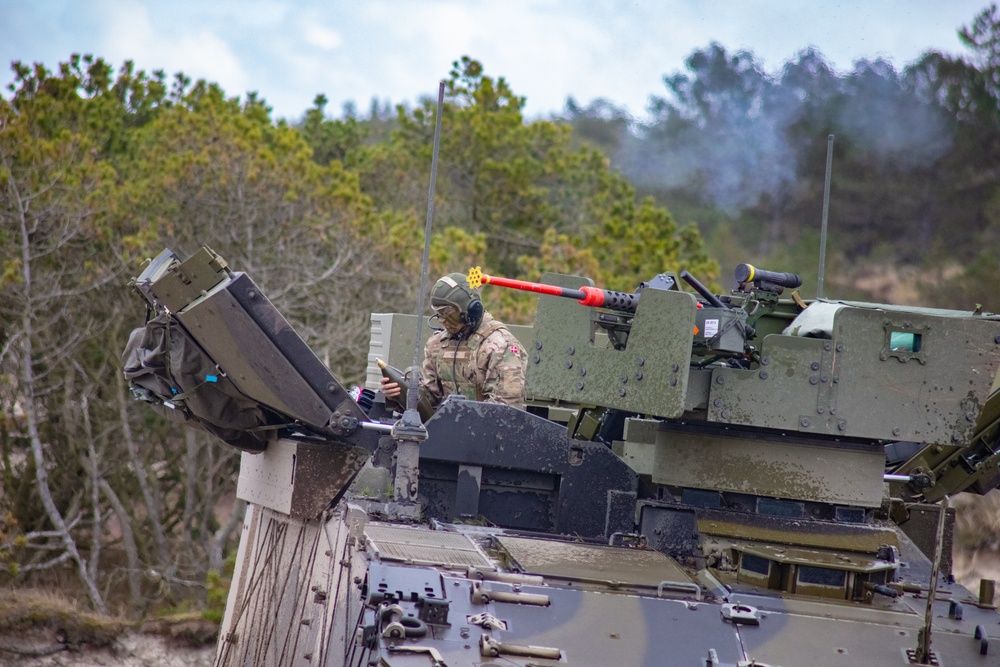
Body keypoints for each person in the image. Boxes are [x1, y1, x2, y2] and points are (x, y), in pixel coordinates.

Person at [381, 272, 527, 412]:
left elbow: (507, 408)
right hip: (449, 429)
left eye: (448, 313)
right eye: (439, 314)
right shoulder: (437, 345)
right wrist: (399, 394)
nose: (443, 321)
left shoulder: (500, 346)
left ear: (471, 310)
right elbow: (430, 395)